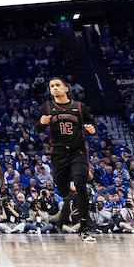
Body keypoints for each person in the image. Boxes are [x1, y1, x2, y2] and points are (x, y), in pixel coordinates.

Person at [39, 76, 97, 241]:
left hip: (77, 151)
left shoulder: (79, 107)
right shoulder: (47, 107)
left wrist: (92, 129)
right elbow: (38, 128)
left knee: (80, 185)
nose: (55, 88)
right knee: (64, 191)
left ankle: (84, 229)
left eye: (58, 85)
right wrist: (41, 123)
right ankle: (81, 176)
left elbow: (91, 125)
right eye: (52, 86)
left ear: (66, 89)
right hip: (58, 154)